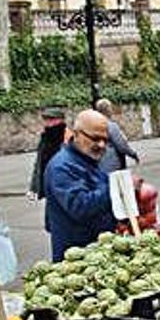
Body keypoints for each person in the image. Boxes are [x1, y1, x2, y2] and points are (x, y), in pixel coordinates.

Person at [44, 110, 116, 262]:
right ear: (76, 134)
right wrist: (117, 188)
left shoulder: (86, 159)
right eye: (95, 138)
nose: (102, 145)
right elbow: (80, 206)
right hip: (77, 258)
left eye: (105, 140)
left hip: (96, 252)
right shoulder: (62, 167)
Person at [28, 107, 72, 200]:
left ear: (61, 120)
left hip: (65, 184)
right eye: (46, 119)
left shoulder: (68, 136)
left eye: (52, 119)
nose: (48, 122)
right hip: (49, 182)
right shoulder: (45, 137)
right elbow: (39, 163)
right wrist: (34, 187)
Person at [95, 99, 140, 173]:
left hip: (98, 164)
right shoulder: (110, 125)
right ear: (107, 110)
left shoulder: (92, 125)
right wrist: (133, 154)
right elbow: (121, 145)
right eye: (110, 108)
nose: (111, 110)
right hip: (112, 164)